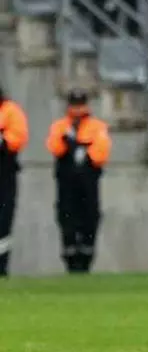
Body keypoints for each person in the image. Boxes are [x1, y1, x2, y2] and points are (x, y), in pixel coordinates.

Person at [46, 89, 111, 273]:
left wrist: (82, 148)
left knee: (89, 217)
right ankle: (70, 258)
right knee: (67, 217)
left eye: (80, 105)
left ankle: (86, 259)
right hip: (66, 184)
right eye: (74, 105)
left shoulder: (96, 126)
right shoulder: (60, 126)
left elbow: (100, 154)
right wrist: (68, 140)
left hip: (88, 183)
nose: (77, 109)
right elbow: (54, 147)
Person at [0, 88, 28, 277]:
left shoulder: (10, 110)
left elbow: (17, 138)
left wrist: (3, 140)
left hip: (4, 172)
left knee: (3, 221)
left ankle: (1, 267)